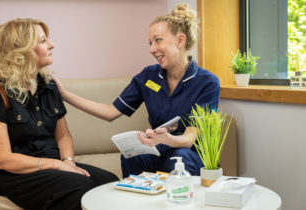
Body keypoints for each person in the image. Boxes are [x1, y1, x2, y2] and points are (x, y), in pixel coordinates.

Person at [52, 4, 220, 178]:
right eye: (150, 42)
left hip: (189, 155)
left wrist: (167, 139)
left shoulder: (207, 83)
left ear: (180, 40)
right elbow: (111, 112)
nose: (152, 49)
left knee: (180, 157)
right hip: (159, 150)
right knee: (132, 155)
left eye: (158, 40)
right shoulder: (148, 76)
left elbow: (189, 138)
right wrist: (65, 95)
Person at [0, 18, 118, 210]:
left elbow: (63, 134)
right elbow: (3, 159)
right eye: (43, 41)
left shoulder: (48, 86)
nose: (52, 45)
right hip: (17, 175)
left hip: (55, 167)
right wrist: (56, 165)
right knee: (79, 186)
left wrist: (68, 162)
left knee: (110, 183)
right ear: (21, 51)